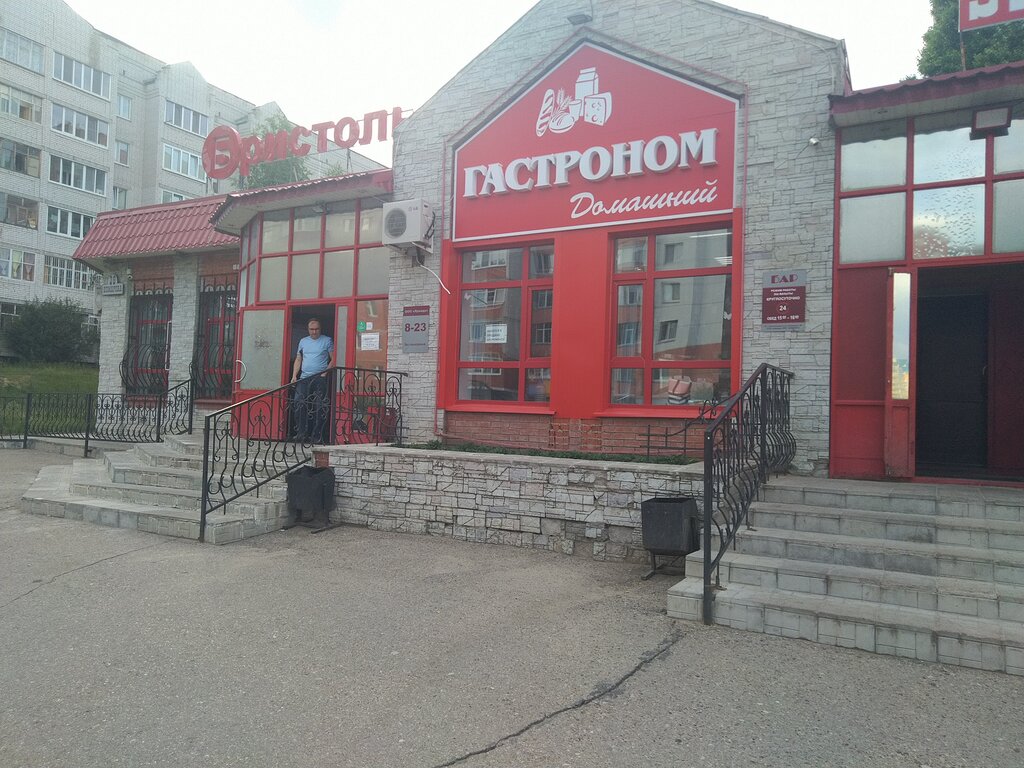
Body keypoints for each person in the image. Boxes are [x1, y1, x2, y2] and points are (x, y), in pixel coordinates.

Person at [291, 318, 335, 442]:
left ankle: (317, 435)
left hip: (319, 378)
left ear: (320, 329)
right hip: (304, 378)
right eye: (311, 329)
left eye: (316, 329)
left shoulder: (327, 340)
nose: (314, 332)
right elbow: (298, 359)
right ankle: (301, 433)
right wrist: (294, 376)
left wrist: (325, 373)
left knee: (319, 406)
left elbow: (334, 358)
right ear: (308, 329)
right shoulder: (303, 341)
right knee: (299, 402)